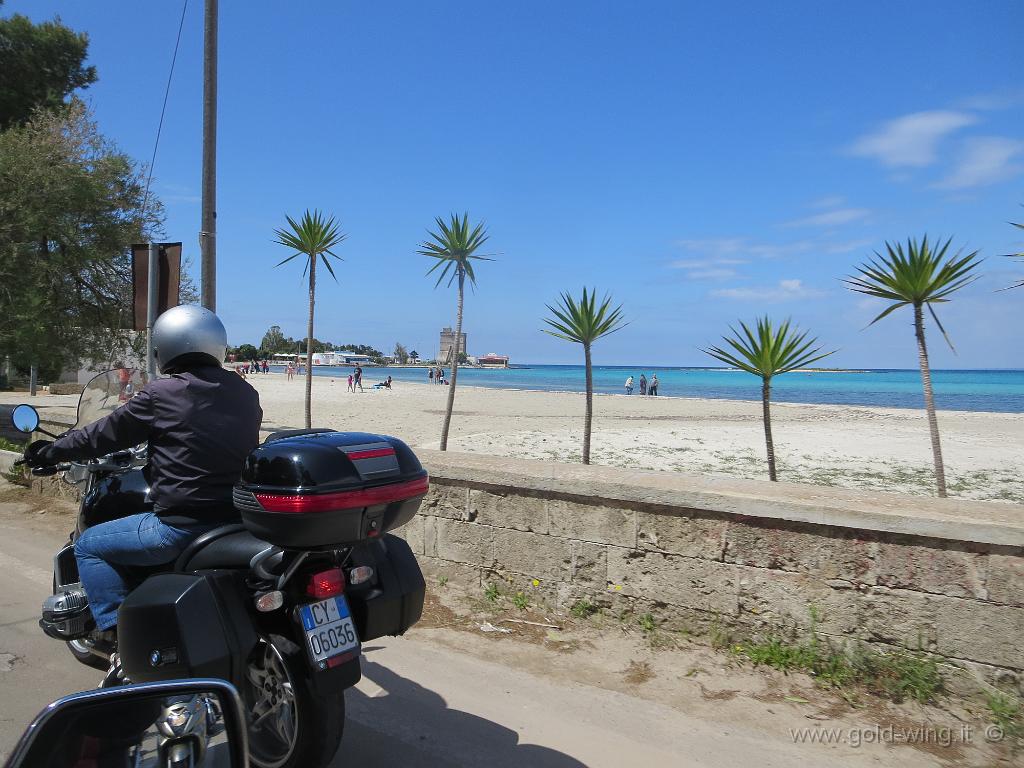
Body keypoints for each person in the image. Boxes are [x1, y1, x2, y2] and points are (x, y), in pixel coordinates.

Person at [24, 305, 262, 659]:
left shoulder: (162, 393)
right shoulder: (245, 393)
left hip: (180, 528)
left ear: (165, 347)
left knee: (88, 545)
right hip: (234, 522)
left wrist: (50, 452)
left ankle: (118, 637)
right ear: (217, 345)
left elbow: (102, 435)